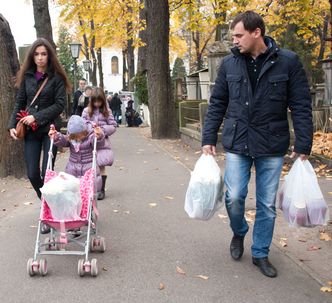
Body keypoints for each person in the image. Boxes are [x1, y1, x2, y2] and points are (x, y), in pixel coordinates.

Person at [202, 11, 313, 278]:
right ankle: (239, 231)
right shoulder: (229, 64)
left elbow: (300, 105)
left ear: (256, 33)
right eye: (234, 36)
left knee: (265, 204)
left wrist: (304, 143)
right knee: (234, 196)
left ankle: (261, 252)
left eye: (239, 35)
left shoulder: (288, 62)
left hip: (272, 142)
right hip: (238, 140)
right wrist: (208, 138)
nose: (235, 40)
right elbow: (217, 103)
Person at [8, 38, 70, 234]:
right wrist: (12, 125)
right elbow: (20, 103)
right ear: (32, 56)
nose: (40, 57)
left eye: (44, 54)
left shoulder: (56, 78)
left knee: (48, 173)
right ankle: (49, 206)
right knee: (33, 174)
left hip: (49, 131)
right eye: (37, 54)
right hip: (31, 132)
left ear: (49, 56)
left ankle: (47, 216)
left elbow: (60, 105)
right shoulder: (27, 77)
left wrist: (37, 116)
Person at [49, 115, 105, 193]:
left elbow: (98, 144)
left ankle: (89, 204)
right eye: (74, 137)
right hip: (72, 167)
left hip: (88, 166)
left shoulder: (90, 136)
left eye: (80, 136)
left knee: (88, 193)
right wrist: (57, 137)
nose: (77, 139)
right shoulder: (71, 138)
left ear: (84, 132)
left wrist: (99, 137)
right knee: (71, 191)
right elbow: (65, 141)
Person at [82, 87, 117, 200]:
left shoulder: (107, 111)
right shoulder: (86, 111)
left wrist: (102, 131)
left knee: (101, 166)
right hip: (89, 143)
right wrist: (90, 130)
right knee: (89, 167)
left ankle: (101, 189)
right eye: (95, 101)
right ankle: (89, 188)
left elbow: (113, 126)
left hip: (102, 144)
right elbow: (82, 124)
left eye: (99, 101)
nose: (97, 104)